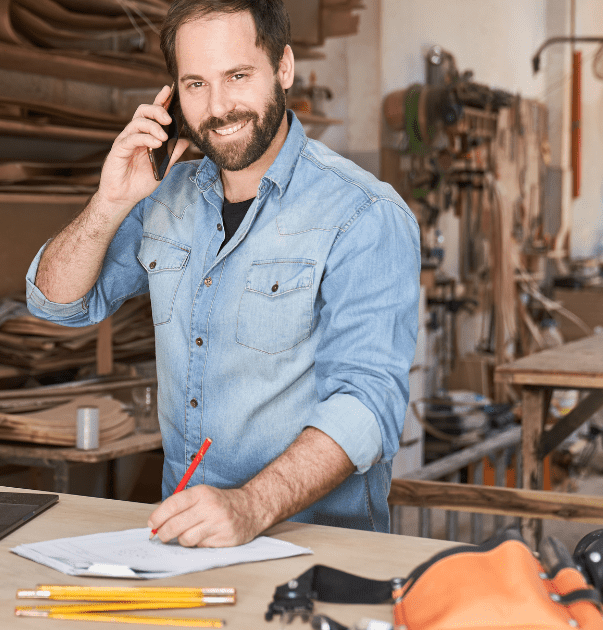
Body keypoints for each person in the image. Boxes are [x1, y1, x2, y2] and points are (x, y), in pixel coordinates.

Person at [24, 0, 420, 547]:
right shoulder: (164, 199)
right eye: (196, 84)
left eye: (237, 76)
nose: (218, 107)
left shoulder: (364, 213)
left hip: (318, 551)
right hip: (185, 541)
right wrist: (110, 201)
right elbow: (55, 303)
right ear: (172, 96)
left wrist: (250, 506)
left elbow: (368, 404)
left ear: (283, 67)